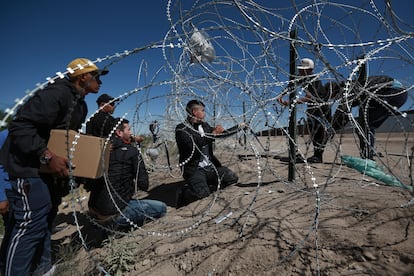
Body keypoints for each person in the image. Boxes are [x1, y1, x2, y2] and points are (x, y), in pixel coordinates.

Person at [0, 57, 109, 275]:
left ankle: (42, 269)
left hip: (50, 175)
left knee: (43, 223)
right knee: (28, 229)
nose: (100, 82)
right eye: (96, 77)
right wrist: (47, 156)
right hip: (30, 171)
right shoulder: (56, 94)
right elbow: (20, 126)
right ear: (83, 76)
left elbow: (67, 139)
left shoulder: (80, 104)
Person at [88, 119, 167, 229]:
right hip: (113, 214)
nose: (131, 133)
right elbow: (143, 184)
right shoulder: (131, 152)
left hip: (93, 210)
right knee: (162, 208)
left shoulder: (101, 150)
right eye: (128, 130)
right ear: (119, 133)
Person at [331, 58, 408, 159]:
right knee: (364, 123)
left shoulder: (349, 90)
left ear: (336, 90)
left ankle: (368, 156)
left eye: (334, 96)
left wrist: (332, 128)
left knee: (365, 125)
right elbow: (343, 113)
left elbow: (342, 113)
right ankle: (368, 152)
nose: (336, 99)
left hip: (393, 92)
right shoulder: (354, 87)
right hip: (394, 93)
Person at [175, 100, 242, 207]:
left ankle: (205, 184)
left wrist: (238, 127)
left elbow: (219, 134)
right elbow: (193, 145)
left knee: (231, 178)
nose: (205, 113)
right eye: (203, 110)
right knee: (202, 194)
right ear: (195, 112)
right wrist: (213, 134)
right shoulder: (182, 129)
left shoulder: (205, 126)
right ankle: (184, 193)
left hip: (210, 167)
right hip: (194, 170)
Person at [278, 58, 333, 163]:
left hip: (322, 109)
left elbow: (310, 97)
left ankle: (318, 157)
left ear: (309, 70)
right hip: (312, 109)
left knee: (319, 133)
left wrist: (291, 102)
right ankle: (315, 156)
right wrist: (282, 94)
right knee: (313, 132)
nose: (300, 71)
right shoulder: (303, 78)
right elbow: (292, 85)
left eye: (302, 69)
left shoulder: (314, 79)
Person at [0, 129, 11, 274]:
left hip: (23, 191)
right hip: (9, 194)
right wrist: (2, 197)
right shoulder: (5, 136)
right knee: (12, 233)